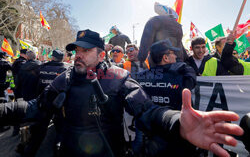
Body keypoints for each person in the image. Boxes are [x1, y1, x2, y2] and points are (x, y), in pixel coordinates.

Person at [0, 29, 244, 157]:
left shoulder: (117, 79)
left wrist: (178, 121)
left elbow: (148, 112)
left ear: (101, 55)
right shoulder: (64, 79)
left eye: (86, 51)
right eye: (76, 50)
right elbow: (35, 107)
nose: (78, 55)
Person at [134, 39, 196, 156]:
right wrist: (185, 67)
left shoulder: (140, 77)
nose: (175, 57)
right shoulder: (181, 75)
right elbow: (191, 82)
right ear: (165, 58)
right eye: (173, 53)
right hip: (175, 134)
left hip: (149, 137)